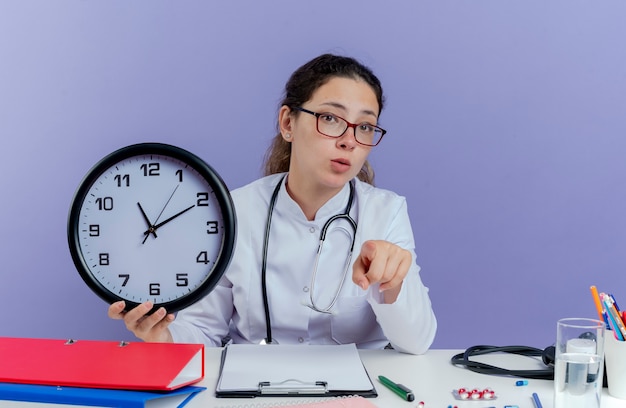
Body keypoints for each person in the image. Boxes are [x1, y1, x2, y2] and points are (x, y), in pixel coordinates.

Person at [108, 53, 437, 354]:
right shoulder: (234, 212)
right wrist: (162, 336)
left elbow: (417, 343)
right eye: (331, 118)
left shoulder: (386, 212)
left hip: (358, 394)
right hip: (252, 390)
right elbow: (202, 330)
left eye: (364, 126)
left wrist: (392, 285)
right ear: (288, 123)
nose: (349, 140)